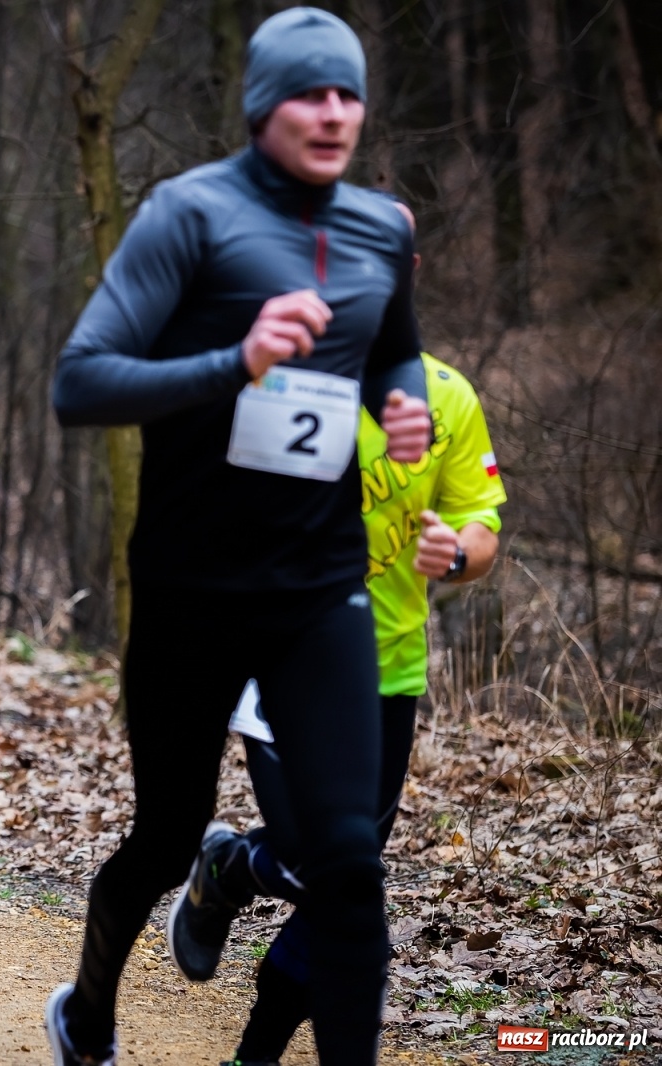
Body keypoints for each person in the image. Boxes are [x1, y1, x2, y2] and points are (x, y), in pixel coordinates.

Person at [44, 9, 432, 1066]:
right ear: (264, 105)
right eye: (311, 93)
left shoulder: (379, 229)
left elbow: (392, 350)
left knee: (349, 859)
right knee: (166, 837)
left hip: (317, 586)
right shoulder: (191, 214)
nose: (334, 112)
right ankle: (87, 1004)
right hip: (189, 586)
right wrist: (234, 362)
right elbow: (78, 384)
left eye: (348, 93)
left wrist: (402, 407)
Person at [181, 201, 507, 1066]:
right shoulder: (282, 376)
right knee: (320, 867)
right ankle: (232, 870)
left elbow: (483, 531)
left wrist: (457, 553)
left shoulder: (446, 397)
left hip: (387, 676)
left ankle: (250, 1030)